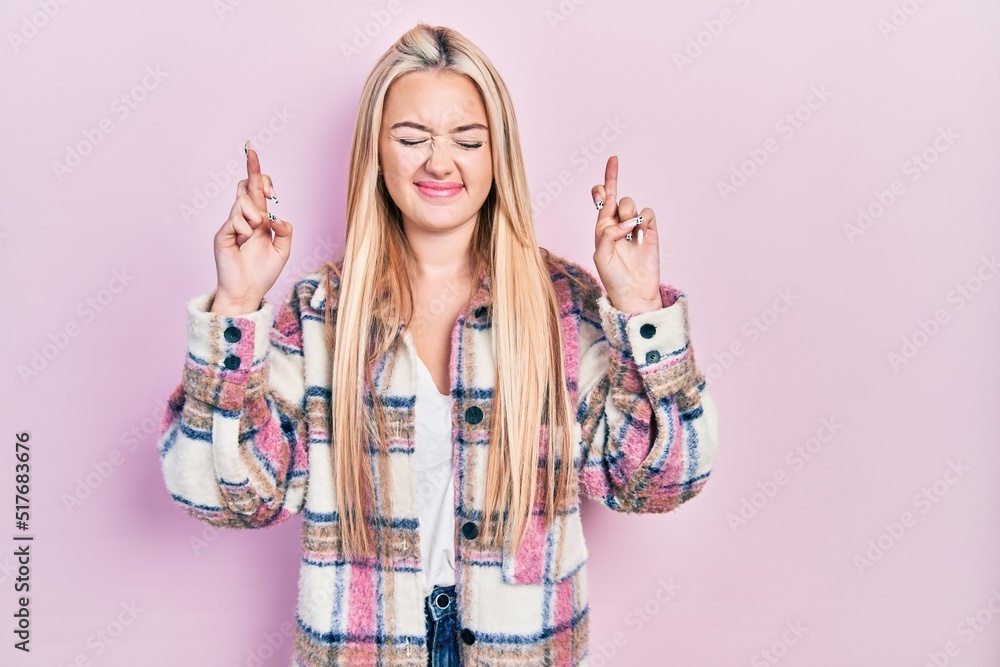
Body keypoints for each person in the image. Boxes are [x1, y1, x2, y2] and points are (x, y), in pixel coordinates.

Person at [156, 22, 719, 667]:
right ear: (376, 153)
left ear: (496, 154)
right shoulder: (322, 315)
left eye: (466, 139)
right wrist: (236, 305)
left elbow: (659, 480)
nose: (439, 162)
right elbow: (221, 494)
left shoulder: (560, 304)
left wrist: (640, 306)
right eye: (412, 138)